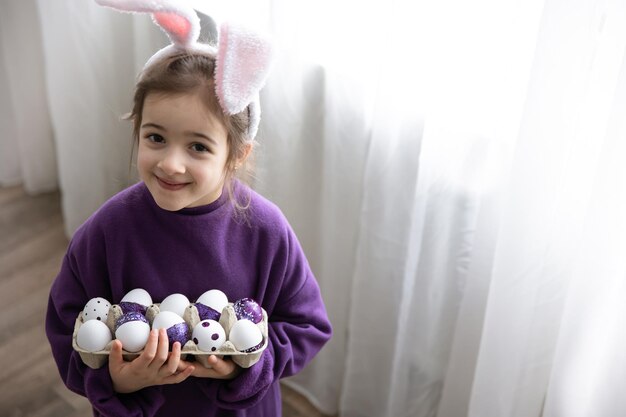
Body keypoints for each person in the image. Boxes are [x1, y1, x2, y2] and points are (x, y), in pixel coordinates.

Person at [45, 1, 332, 416]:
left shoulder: (266, 232)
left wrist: (242, 368)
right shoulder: (107, 232)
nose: (170, 163)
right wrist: (114, 379)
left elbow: (308, 325)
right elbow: (66, 322)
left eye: (198, 146)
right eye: (156, 137)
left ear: (236, 154)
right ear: (137, 128)